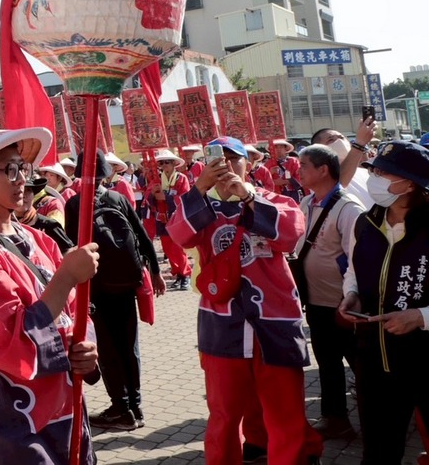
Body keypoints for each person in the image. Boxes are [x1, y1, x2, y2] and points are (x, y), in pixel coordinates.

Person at [0, 128, 100, 464]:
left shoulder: (40, 240)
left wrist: (86, 346)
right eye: (9, 170)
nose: (20, 180)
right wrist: (67, 276)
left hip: (66, 408)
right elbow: (8, 342)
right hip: (13, 423)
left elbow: (75, 312)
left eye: (22, 169)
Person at [166, 136, 320, 465]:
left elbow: (291, 235)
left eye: (233, 159)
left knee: (285, 413)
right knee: (224, 415)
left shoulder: (272, 200)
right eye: (216, 160)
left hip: (275, 320)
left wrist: (247, 196)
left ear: (247, 164)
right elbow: (178, 235)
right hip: (222, 324)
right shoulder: (200, 206)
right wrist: (199, 190)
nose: (226, 165)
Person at [337, 140, 429, 464]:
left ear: (410, 184)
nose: (374, 176)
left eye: (384, 172)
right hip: (374, 359)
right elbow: (353, 268)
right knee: (378, 450)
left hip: (424, 359)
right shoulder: (365, 223)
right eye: (374, 169)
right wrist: (351, 294)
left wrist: (420, 317)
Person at [65, 152, 164, 432]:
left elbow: (72, 246)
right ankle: (136, 405)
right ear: (104, 174)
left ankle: (120, 409)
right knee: (129, 347)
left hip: (95, 287)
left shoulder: (75, 204)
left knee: (107, 349)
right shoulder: (117, 198)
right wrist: (155, 272)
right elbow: (142, 235)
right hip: (126, 285)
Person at [293, 144, 363, 439]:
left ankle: (383, 424)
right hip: (317, 303)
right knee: (328, 364)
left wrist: (351, 299)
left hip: (343, 305)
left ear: (323, 170)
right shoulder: (306, 203)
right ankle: (337, 419)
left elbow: (358, 259)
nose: (298, 171)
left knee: (362, 366)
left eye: (304, 165)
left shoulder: (349, 209)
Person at [149, 149, 193, 290]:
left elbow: (185, 198)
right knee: (167, 249)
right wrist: (152, 194)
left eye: (167, 162)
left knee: (178, 248)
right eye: (162, 163)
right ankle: (178, 273)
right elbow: (148, 200)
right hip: (162, 219)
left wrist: (166, 197)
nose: (165, 165)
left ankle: (185, 274)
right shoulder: (156, 179)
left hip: (176, 218)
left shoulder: (181, 179)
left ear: (174, 164)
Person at [312, 122, 375, 209]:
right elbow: (338, 185)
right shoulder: (318, 177)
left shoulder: (367, 173)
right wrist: (359, 144)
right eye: (331, 140)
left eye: (342, 138)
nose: (340, 141)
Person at [268, 138, 303, 203]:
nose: (278, 149)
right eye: (276, 147)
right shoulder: (268, 163)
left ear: (285, 149)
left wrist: (284, 181)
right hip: (275, 195)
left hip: (292, 193)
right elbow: (262, 182)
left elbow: (300, 177)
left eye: (281, 147)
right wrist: (270, 173)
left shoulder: (293, 161)